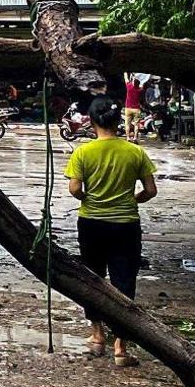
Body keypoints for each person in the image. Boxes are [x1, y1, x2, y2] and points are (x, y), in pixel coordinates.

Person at [66, 97, 157, 365]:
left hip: (91, 223)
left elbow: (73, 189)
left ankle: (96, 337)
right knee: (124, 281)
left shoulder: (83, 153)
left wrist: (87, 198)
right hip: (125, 225)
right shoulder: (135, 152)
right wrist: (133, 200)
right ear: (119, 121)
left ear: (91, 122)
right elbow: (151, 191)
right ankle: (121, 346)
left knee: (92, 279)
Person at [122, 76, 144, 141]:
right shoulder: (140, 89)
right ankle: (135, 138)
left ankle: (128, 137)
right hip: (136, 109)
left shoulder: (129, 87)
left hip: (128, 108)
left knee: (127, 124)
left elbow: (126, 78)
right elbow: (142, 83)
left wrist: (125, 72)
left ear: (133, 83)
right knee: (136, 125)